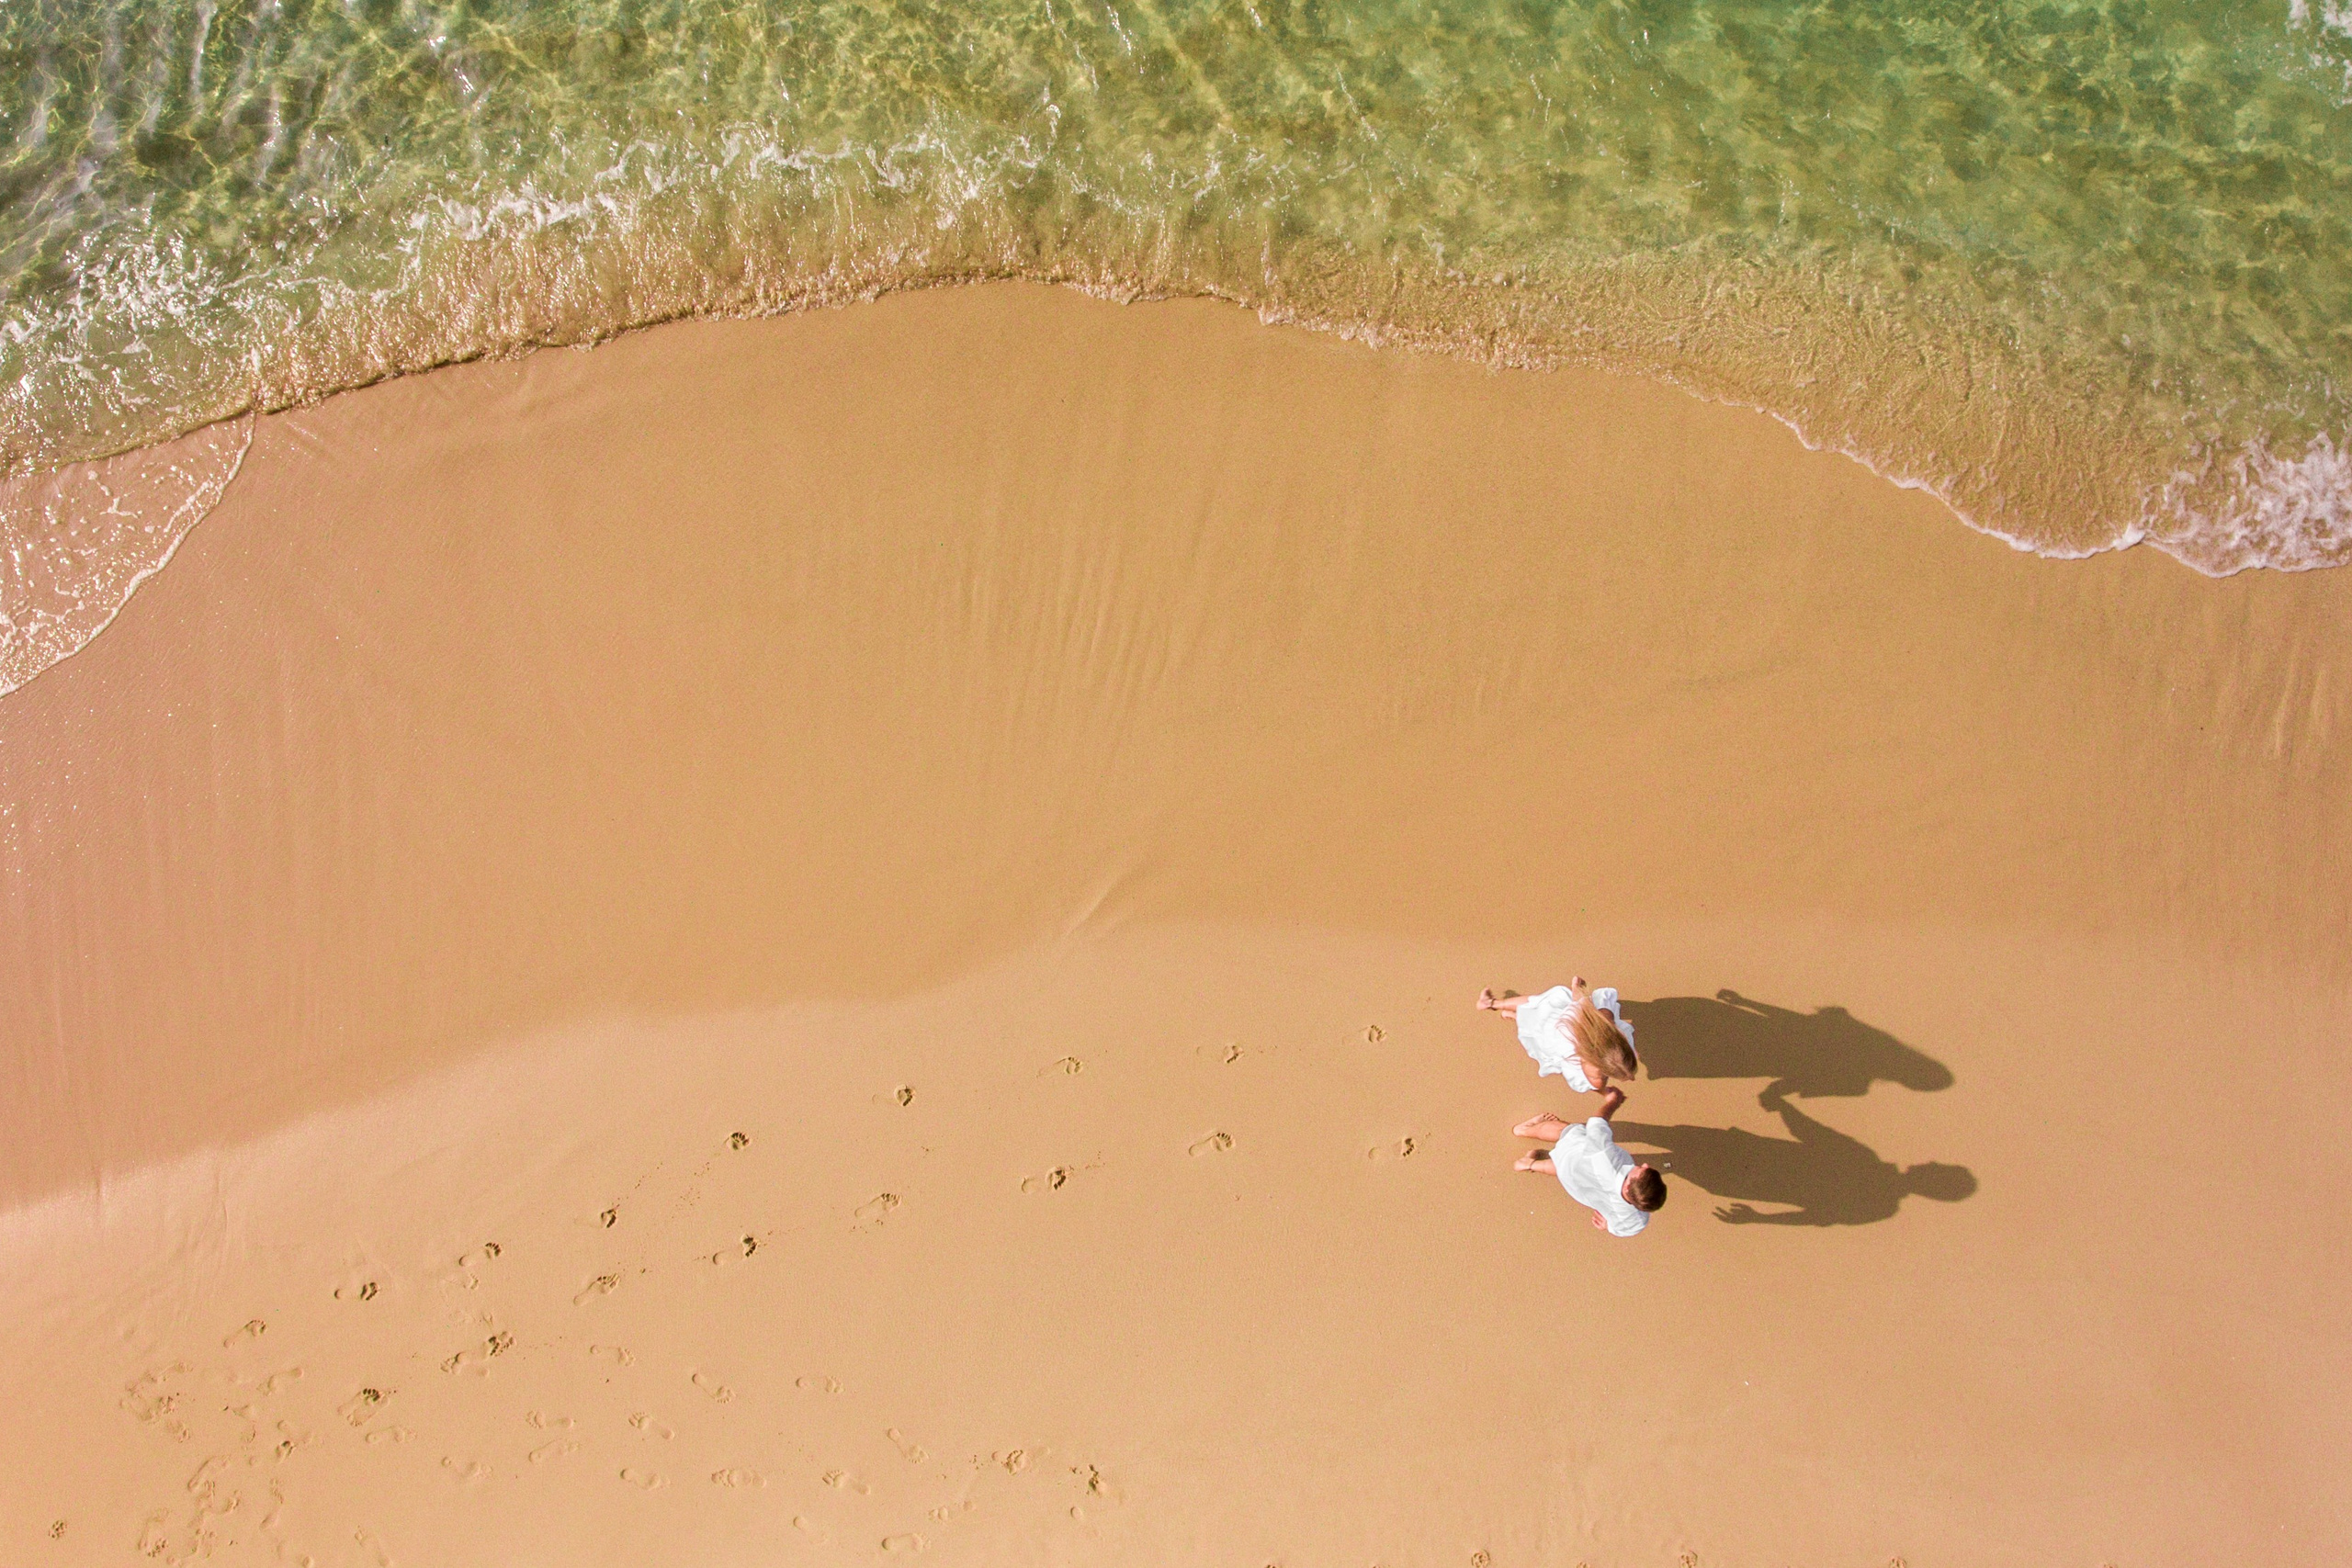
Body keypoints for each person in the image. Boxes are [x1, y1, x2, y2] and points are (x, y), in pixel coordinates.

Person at [1511, 1089, 1666, 1235]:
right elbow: (1622, 1229)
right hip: (1577, 1186)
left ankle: (1523, 1130)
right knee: (1563, 1169)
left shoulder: (1606, 1158)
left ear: (1627, 1188)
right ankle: (1527, 1164)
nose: (1645, 1165)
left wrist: (1613, 1101)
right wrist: (1608, 1225)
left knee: (1566, 1131)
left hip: (1575, 1154)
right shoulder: (1637, 1220)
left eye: (1640, 1170)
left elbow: (1596, 1124)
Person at [1476, 976, 1639, 1095]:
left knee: (1534, 1004)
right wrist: (1606, 1092)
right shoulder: (1589, 1069)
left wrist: (1577, 988)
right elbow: (1596, 1084)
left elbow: (1582, 1001)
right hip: (1554, 1040)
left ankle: (1493, 1003)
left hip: (1558, 1026)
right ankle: (1512, 1016)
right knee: (1533, 1025)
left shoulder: (1602, 1019)